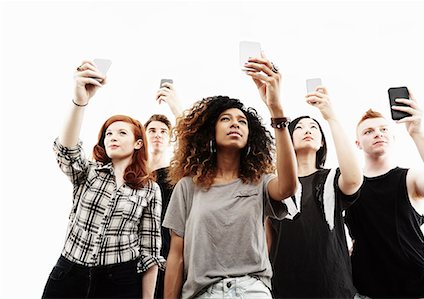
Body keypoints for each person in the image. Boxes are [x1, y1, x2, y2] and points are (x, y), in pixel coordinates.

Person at [162, 55, 297, 299]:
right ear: (210, 133)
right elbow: (176, 255)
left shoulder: (260, 181)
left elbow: (287, 187)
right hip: (203, 293)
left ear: (250, 136)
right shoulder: (187, 187)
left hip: (252, 289)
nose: (235, 124)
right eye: (226, 119)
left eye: (242, 121)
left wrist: (276, 111)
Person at [42, 60, 163, 299]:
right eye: (108, 133)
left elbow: (150, 252)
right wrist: (80, 101)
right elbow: (67, 151)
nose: (112, 137)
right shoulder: (89, 173)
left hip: (119, 280)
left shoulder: (149, 189)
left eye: (121, 132)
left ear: (138, 143)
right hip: (69, 273)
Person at [345, 90, 424, 298]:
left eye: (384, 129)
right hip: (366, 290)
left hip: (416, 288)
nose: (378, 133)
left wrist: (417, 133)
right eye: (368, 131)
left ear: (393, 137)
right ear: (357, 143)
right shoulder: (349, 184)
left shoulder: (410, 178)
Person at [266, 86, 363, 298]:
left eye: (313, 127)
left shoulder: (332, 178)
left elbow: (355, 179)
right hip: (285, 288)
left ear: (322, 142)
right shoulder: (273, 186)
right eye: (299, 127)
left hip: (334, 287)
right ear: (288, 138)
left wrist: (330, 117)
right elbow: (267, 241)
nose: (307, 130)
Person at [144, 81, 182, 299]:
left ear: (170, 139)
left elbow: (200, 143)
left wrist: (174, 105)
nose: (157, 134)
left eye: (163, 131)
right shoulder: (132, 177)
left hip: (168, 261)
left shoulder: (176, 176)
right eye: (151, 130)